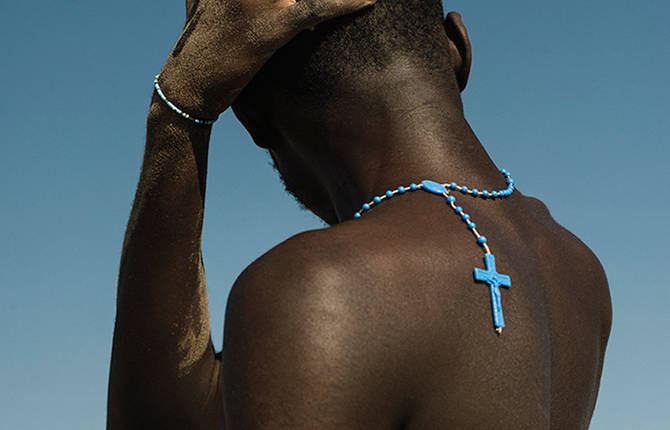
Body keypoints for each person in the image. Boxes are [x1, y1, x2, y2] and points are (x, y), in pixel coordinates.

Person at [107, 0, 613, 428]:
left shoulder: (322, 289)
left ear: (253, 118)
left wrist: (178, 114)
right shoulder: (579, 272)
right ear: (457, 49)